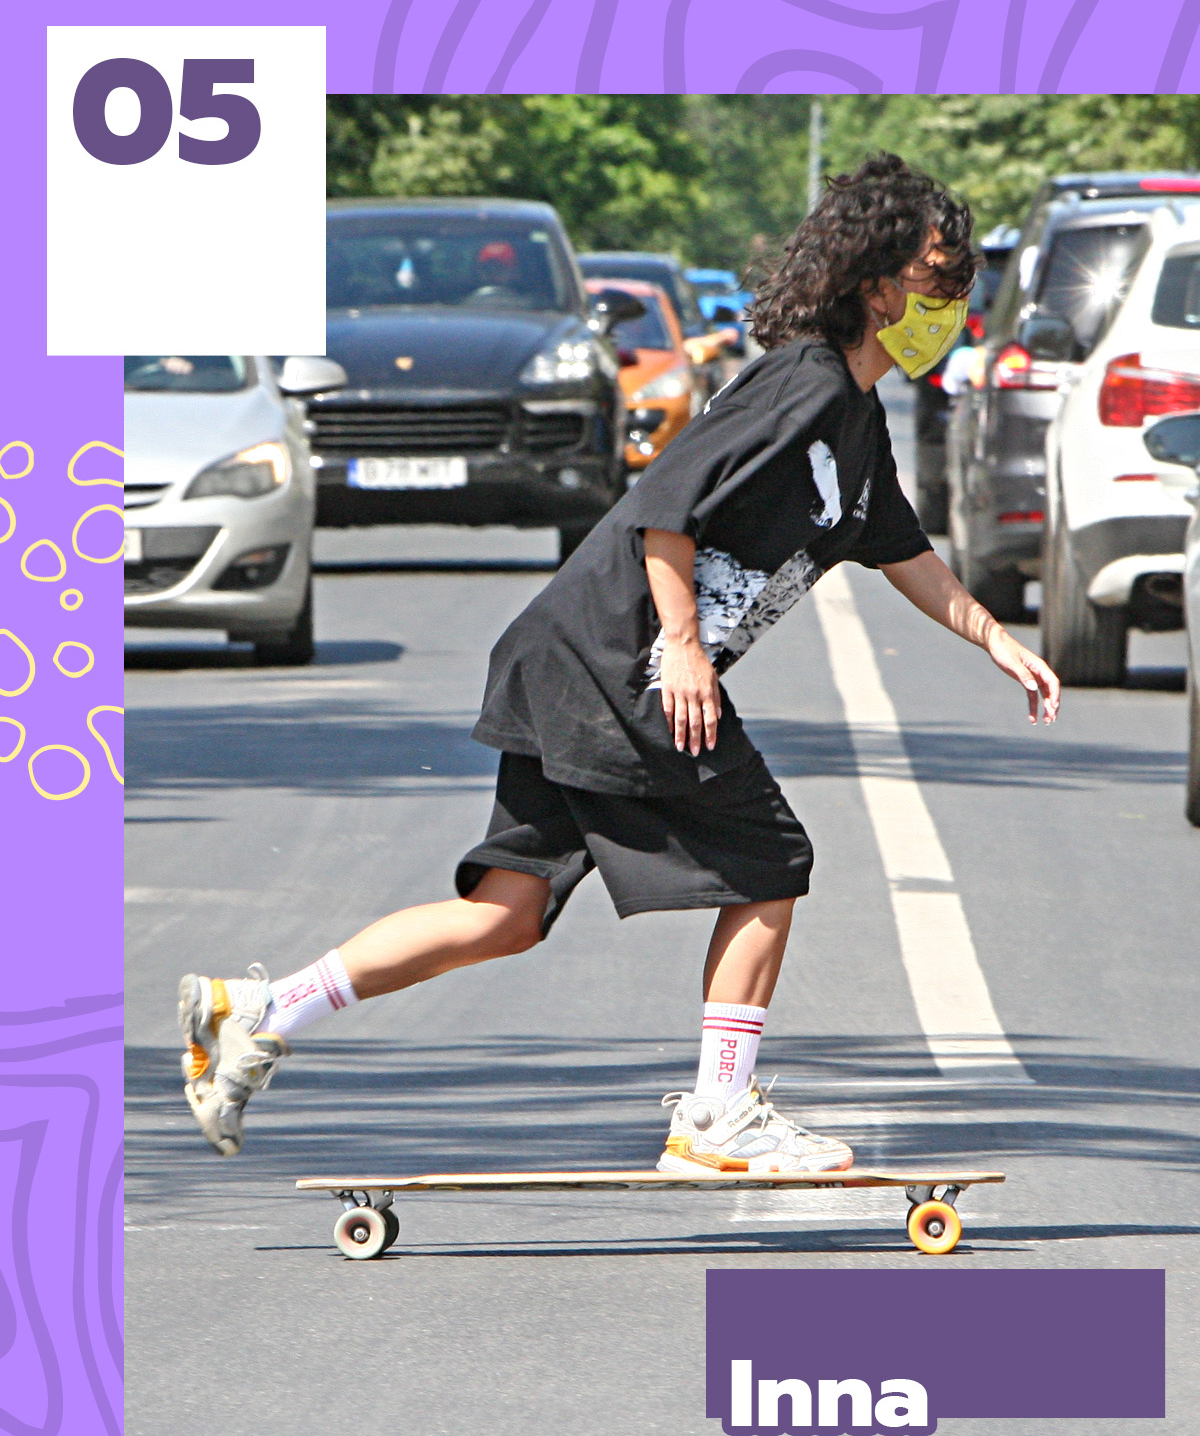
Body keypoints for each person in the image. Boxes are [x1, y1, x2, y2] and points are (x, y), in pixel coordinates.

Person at [177, 154, 1060, 1169]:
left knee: (504, 915)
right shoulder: (804, 384)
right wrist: (681, 647)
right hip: (619, 663)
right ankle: (717, 1113)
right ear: (877, 285)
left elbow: (904, 553)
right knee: (772, 861)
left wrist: (997, 639)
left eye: (958, 282)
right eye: (937, 277)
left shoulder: (854, 420)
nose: (952, 301)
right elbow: (663, 505)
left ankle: (259, 1011)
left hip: (572, 661)